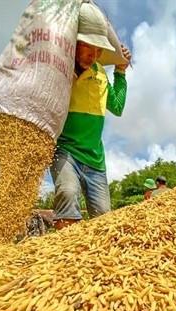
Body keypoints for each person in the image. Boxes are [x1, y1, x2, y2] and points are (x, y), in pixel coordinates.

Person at [50, 3, 131, 229]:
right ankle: (63, 256)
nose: (93, 55)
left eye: (98, 50)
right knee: (67, 191)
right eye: (88, 47)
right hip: (66, 151)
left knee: (104, 217)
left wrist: (121, 72)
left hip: (95, 160)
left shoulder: (101, 74)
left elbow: (117, 106)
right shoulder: (59, 68)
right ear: (75, 43)